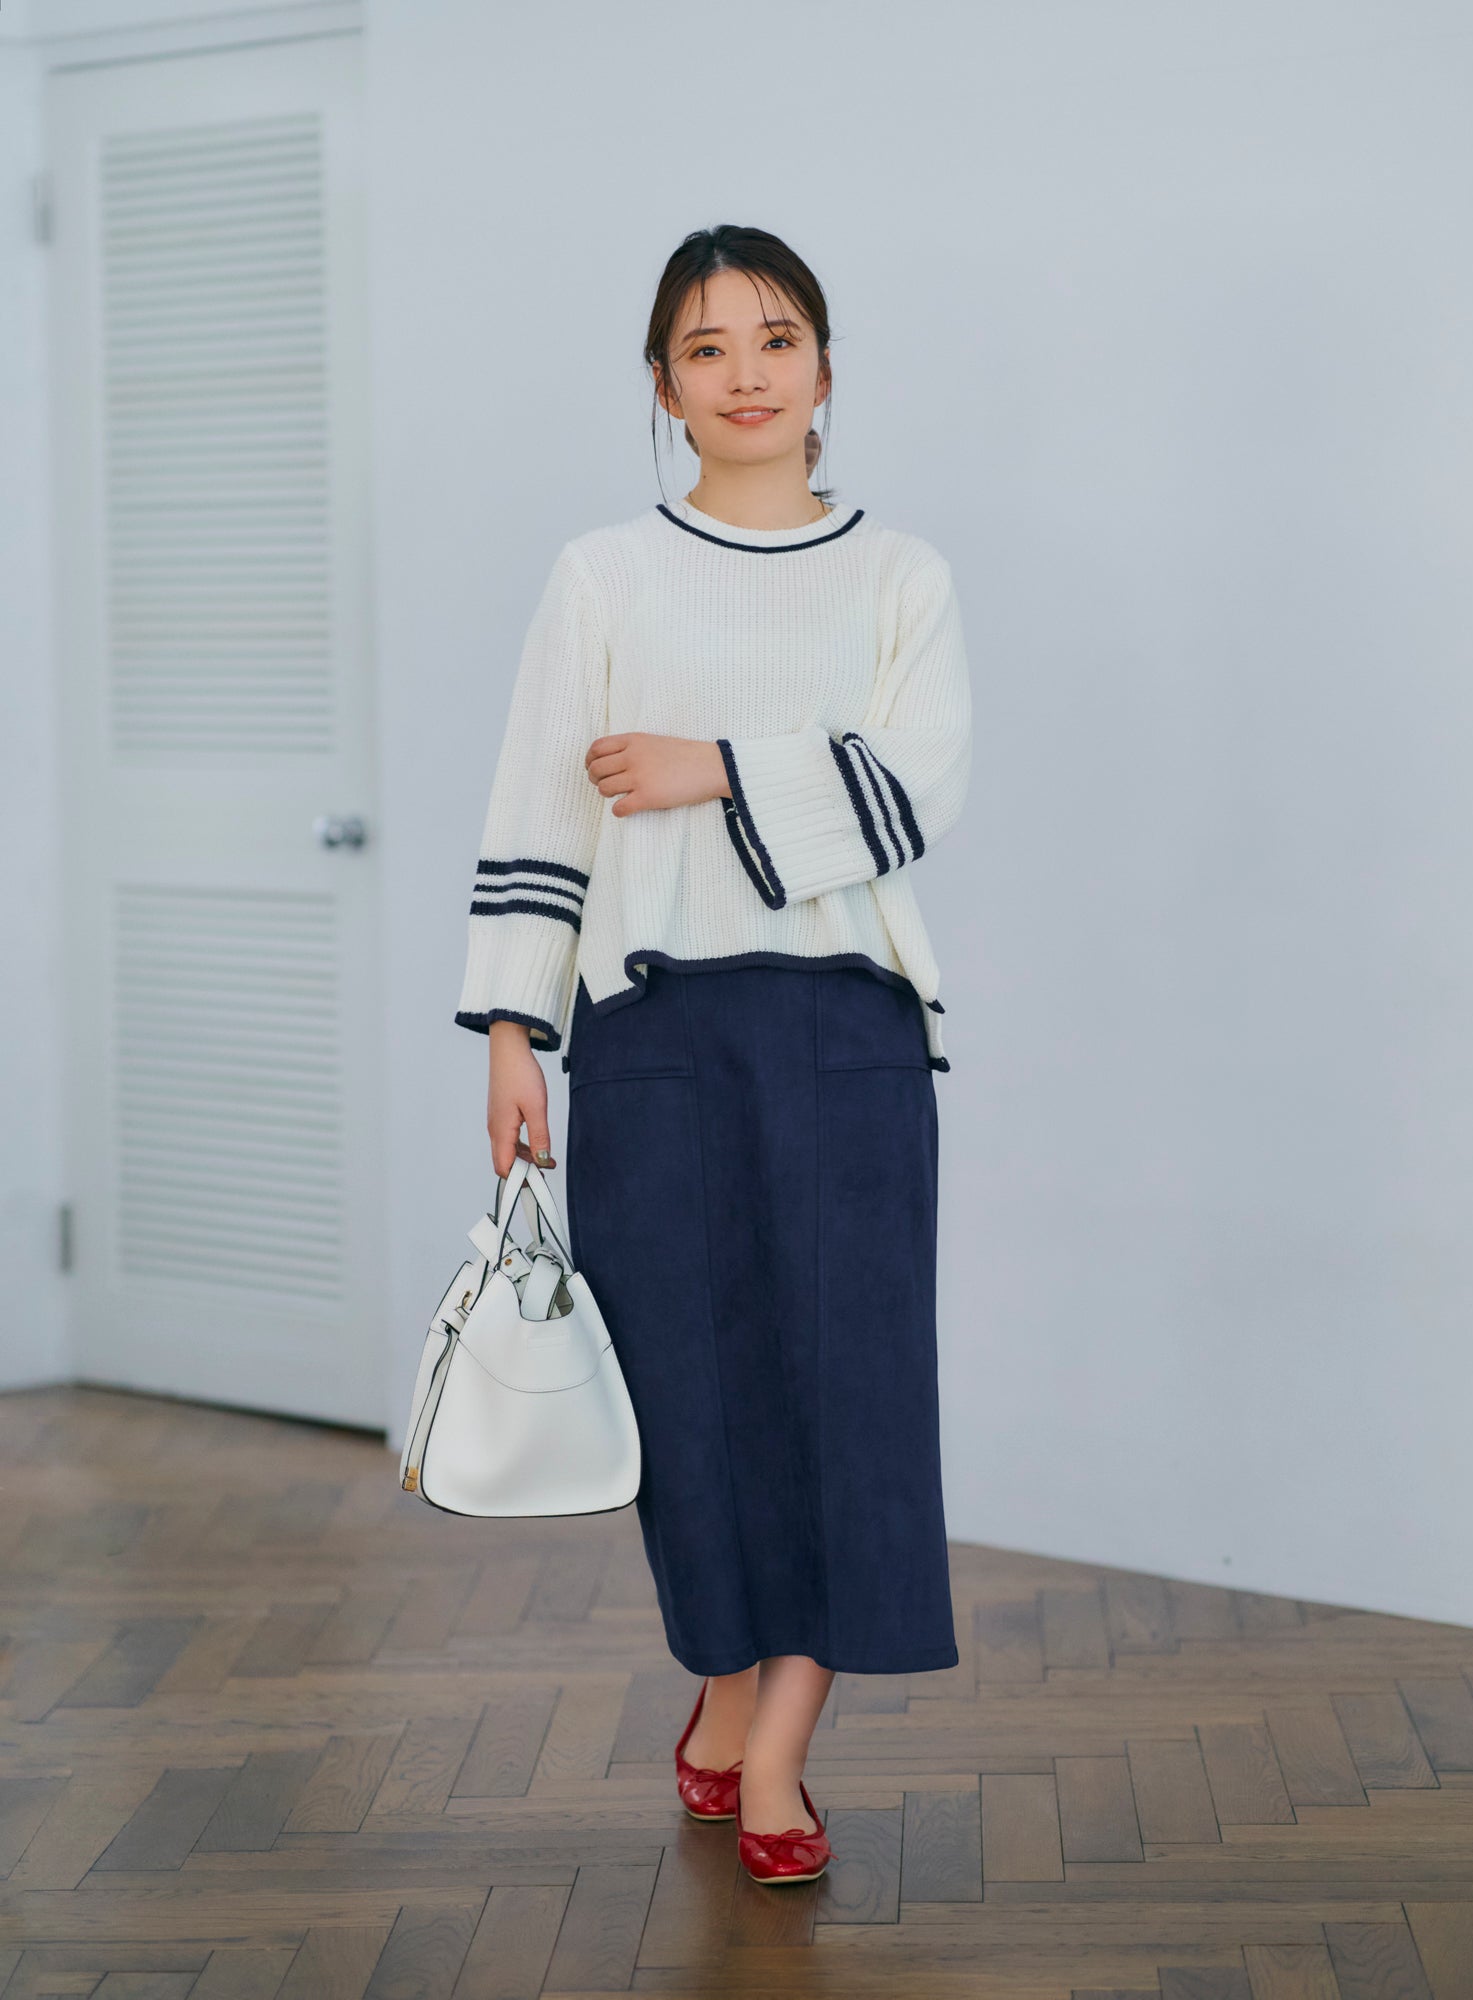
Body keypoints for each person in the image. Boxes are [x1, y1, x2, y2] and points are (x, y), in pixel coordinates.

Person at [455, 223, 973, 1886]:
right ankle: (725, 1675)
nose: (747, 373)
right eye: (706, 346)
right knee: (689, 1392)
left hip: (849, 1031)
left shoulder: (901, 575)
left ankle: (779, 1753)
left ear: (824, 367)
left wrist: (719, 766)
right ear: (665, 386)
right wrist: (515, 1029)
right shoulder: (605, 572)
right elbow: (541, 798)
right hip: (653, 1030)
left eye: (776, 338)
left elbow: (919, 786)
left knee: (852, 1395)